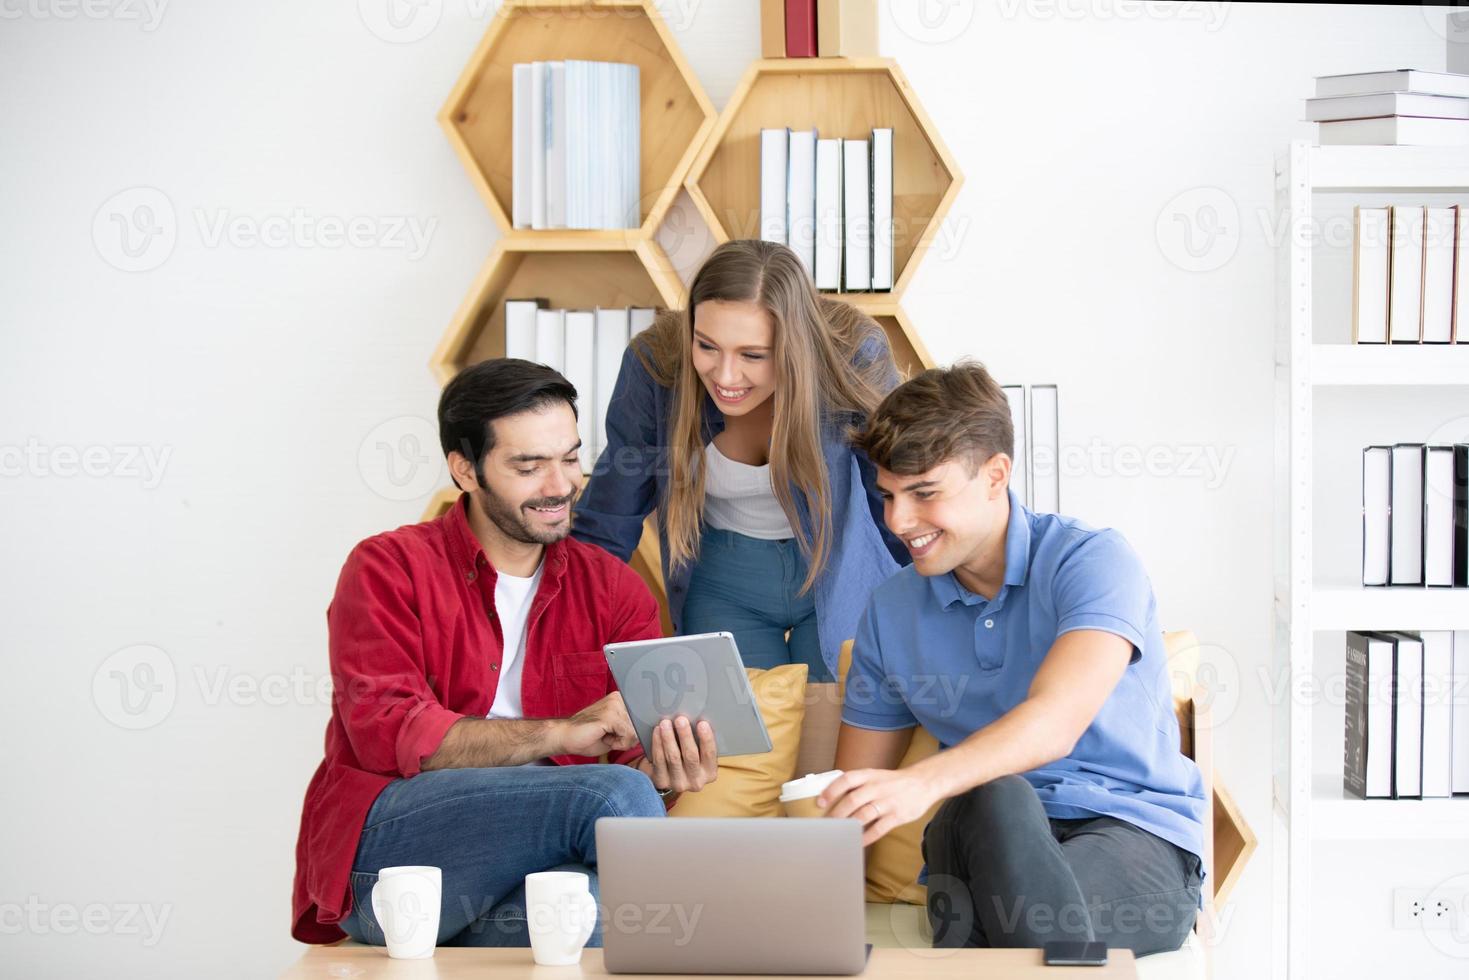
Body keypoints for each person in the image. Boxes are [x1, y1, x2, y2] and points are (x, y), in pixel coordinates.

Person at [290, 359, 720, 949]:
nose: (561, 486)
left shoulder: (614, 590)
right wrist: (564, 734)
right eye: (528, 466)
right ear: (465, 470)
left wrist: (667, 775)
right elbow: (388, 733)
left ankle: (445, 944)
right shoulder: (387, 569)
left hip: (511, 877)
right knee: (607, 798)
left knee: (583, 909)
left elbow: (632, 775)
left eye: (569, 458)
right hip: (394, 865)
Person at [818, 362, 1206, 956]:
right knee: (994, 797)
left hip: (1130, 833)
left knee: (1017, 895)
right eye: (888, 495)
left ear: (996, 475)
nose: (898, 522)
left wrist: (921, 783)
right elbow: (854, 801)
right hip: (976, 838)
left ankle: (1002, 956)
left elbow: (1056, 718)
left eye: (924, 493)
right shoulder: (889, 611)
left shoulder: (1092, 562)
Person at [573, 240, 907, 682]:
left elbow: (892, 492)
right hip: (722, 576)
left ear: (794, 347)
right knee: (739, 739)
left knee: (835, 727)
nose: (726, 377)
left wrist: (935, 603)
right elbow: (609, 518)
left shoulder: (854, 353)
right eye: (707, 347)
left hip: (835, 565)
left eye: (752, 355)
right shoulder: (655, 365)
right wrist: (565, 633)